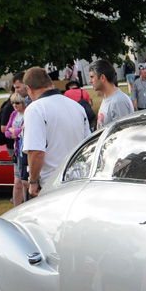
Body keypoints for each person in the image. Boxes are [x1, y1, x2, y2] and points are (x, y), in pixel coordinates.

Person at [20, 67, 89, 198]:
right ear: (49, 84)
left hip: (52, 184)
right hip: (79, 180)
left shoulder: (35, 109)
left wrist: (33, 181)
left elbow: (36, 152)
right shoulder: (77, 107)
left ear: (28, 88)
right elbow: (87, 146)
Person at [90, 59, 134, 129]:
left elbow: (122, 134)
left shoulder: (118, 102)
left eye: (92, 77)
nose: (90, 81)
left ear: (102, 78)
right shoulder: (107, 98)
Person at [4, 93, 27, 206]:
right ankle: (16, 207)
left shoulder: (27, 113)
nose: (14, 105)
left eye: (17, 103)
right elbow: (7, 132)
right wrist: (15, 132)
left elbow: (23, 131)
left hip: (25, 151)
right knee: (17, 182)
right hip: (17, 151)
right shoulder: (14, 114)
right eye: (12, 103)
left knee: (25, 181)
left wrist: (15, 131)